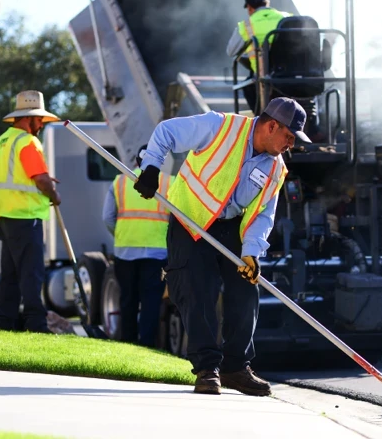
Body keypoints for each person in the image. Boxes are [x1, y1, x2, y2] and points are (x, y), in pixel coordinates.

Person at [133, 97, 310, 396]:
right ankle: (207, 369)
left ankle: (235, 368)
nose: (290, 145)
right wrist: (151, 167)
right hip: (190, 219)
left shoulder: (276, 170)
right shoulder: (219, 126)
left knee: (246, 291)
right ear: (271, 126)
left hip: (230, 227)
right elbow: (166, 132)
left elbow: (263, 214)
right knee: (197, 289)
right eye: (289, 137)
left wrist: (251, 252)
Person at [0, 90, 62, 333]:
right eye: (38, 119)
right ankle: (37, 325)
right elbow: (40, 179)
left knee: (9, 275)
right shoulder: (28, 141)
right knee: (31, 274)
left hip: (4, 217)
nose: (41, 123)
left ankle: (4, 325)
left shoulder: (1, 141)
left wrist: (42, 182)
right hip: (25, 216)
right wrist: (54, 194)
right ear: (27, 119)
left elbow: (18, 176)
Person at [102, 145, 171, 347]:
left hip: (125, 251)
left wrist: (122, 234)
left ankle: (128, 344)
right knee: (151, 301)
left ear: (135, 162)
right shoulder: (169, 183)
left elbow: (107, 218)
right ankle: (147, 346)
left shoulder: (120, 182)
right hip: (157, 253)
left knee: (127, 300)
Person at [225, 0, 292, 113]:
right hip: (296, 78)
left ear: (249, 7)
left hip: (267, 81)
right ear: (268, 2)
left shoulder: (246, 25)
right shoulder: (288, 18)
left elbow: (230, 51)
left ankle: (262, 121)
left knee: (248, 86)